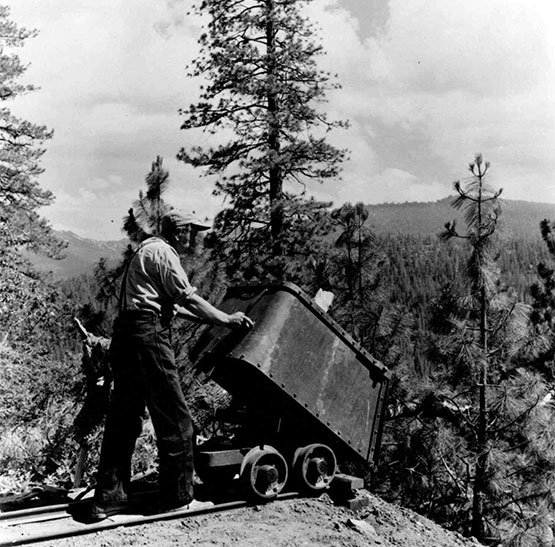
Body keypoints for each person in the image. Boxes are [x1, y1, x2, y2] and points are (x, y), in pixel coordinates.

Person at [91, 210, 254, 520]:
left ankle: (108, 498)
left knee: (123, 418)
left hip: (126, 336)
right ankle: (178, 498)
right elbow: (188, 298)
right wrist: (226, 320)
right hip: (147, 336)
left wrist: (210, 319)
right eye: (191, 231)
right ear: (179, 231)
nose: (194, 237)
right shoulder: (164, 252)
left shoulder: (147, 249)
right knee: (175, 417)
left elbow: (175, 307)